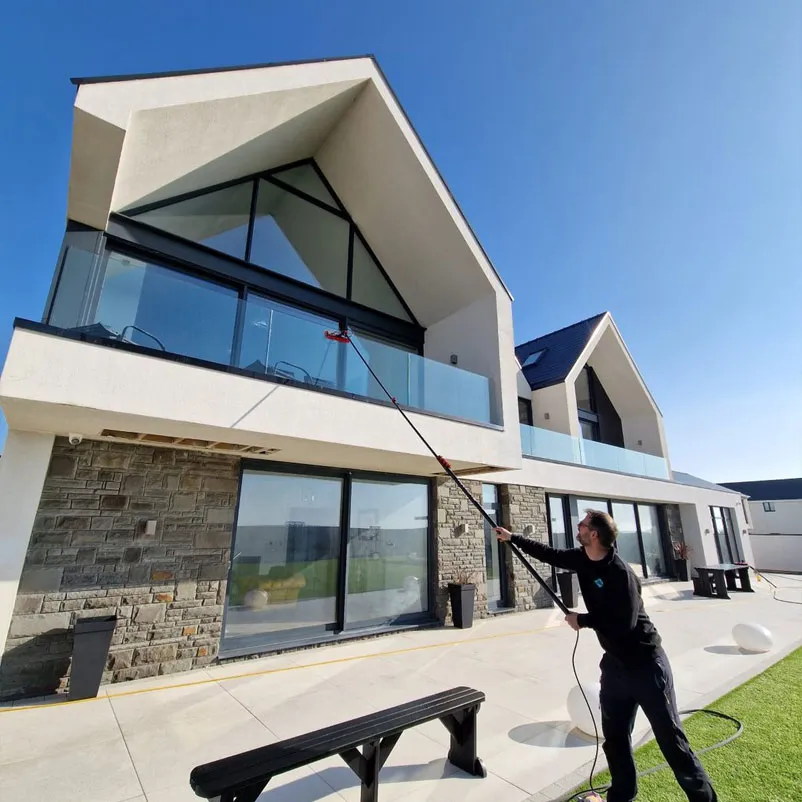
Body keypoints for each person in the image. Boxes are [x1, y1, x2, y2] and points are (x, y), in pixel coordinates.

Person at [495, 510, 717, 802]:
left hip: (646, 666)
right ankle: (621, 796)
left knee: (671, 741)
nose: (578, 526)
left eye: (584, 524)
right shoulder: (583, 558)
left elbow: (622, 623)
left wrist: (582, 620)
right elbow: (550, 554)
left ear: (594, 534)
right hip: (614, 667)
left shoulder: (620, 573)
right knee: (614, 740)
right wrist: (513, 539)